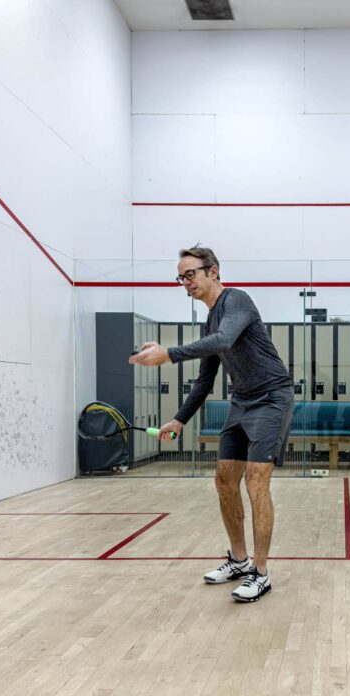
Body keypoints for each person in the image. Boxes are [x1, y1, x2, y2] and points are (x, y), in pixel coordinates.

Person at [128, 246, 294, 602]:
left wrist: (167, 354)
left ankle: (261, 573)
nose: (185, 283)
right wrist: (178, 419)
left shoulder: (237, 301)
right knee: (223, 479)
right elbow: (205, 379)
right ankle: (238, 559)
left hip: (271, 398)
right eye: (180, 277)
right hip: (242, 401)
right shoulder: (210, 320)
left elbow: (223, 341)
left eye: (190, 274)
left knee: (256, 482)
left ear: (213, 271)